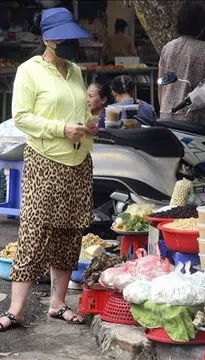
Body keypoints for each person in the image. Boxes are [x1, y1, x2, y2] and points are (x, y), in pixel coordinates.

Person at [0, 7, 97, 331]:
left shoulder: (76, 70)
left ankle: (58, 304)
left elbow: (80, 111)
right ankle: (16, 310)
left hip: (78, 161)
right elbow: (22, 117)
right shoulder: (30, 71)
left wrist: (89, 124)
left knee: (69, 234)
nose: (72, 43)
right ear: (48, 39)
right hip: (46, 161)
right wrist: (61, 128)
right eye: (65, 38)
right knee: (35, 231)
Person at [158, 1, 205, 124]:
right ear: (201, 25)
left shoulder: (167, 48)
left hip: (166, 114)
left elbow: (161, 85)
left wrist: (163, 109)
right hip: (193, 116)